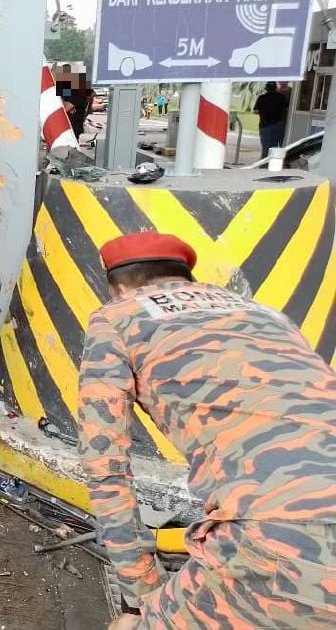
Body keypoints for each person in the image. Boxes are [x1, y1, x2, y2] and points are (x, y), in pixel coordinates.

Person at [78, 231, 336, 630]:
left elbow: (105, 467)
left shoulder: (117, 316)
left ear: (118, 286)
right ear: (187, 276)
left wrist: (142, 602)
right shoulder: (265, 313)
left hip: (283, 538)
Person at [254, 81, 288, 159]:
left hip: (264, 125)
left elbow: (255, 111)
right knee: (274, 145)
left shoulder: (261, 97)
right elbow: (286, 109)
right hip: (278, 124)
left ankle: (264, 163)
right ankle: (272, 162)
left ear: (266, 88)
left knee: (266, 146)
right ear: (276, 88)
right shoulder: (281, 97)